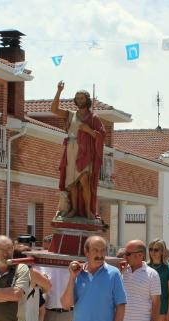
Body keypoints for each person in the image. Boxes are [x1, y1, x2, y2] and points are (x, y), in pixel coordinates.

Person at [51, 82, 106, 219]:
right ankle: (74, 209)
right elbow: (54, 110)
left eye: (82, 98)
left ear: (87, 100)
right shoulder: (71, 115)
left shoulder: (93, 118)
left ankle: (88, 210)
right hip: (70, 149)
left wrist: (88, 130)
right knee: (72, 184)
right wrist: (59, 91)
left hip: (84, 152)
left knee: (84, 180)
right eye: (77, 98)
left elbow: (101, 135)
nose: (79, 100)